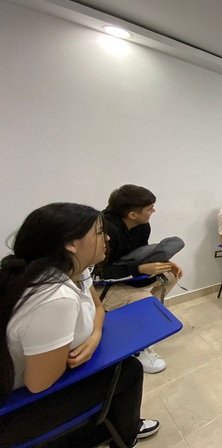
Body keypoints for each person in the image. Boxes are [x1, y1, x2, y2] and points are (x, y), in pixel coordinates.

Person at [0, 203, 159, 447]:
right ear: (71, 244)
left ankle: (118, 428)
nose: (107, 238)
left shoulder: (77, 270)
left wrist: (94, 336)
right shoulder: (54, 298)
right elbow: (39, 383)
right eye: (99, 233)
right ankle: (123, 436)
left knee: (122, 365)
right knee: (128, 370)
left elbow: (99, 308)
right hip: (18, 408)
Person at [95, 184, 183, 374]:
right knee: (143, 299)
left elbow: (140, 253)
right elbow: (98, 272)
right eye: (150, 208)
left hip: (125, 275)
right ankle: (137, 347)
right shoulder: (105, 232)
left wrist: (164, 262)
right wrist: (138, 269)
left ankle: (143, 321)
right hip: (99, 285)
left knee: (170, 276)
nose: (154, 211)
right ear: (132, 215)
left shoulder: (142, 226)